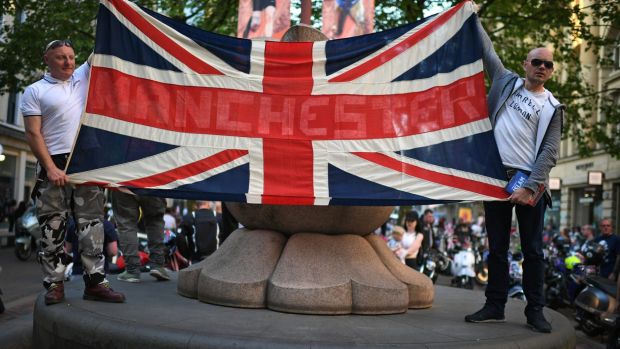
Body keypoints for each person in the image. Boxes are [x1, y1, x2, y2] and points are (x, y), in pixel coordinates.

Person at [465, 17, 564, 333]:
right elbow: (486, 50)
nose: (542, 68)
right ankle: (495, 305)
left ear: (551, 71)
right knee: (496, 249)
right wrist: (471, 14)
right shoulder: (504, 81)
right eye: (537, 61)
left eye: (547, 65)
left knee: (533, 251)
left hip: (530, 184)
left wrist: (531, 186)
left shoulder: (553, 107)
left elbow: (549, 152)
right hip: (496, 178)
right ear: (526, 64)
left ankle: (535, 311)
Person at [21, 39, 125, 304]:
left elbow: (104, 46)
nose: (68, 62)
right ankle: (54, 285)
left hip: (87, 160)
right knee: (52, 229)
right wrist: (51, 167)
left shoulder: (82, 76)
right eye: (60, 58)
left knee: (93, 227)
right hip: (54, 165)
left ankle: (95, 283)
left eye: (71, 56)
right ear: (46, 59)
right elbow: (33, 134)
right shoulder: (34, 91)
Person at [111, 191, 170, 283]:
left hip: (123, 181)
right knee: (155, 220)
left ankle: (132, 270)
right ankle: (158, 265)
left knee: (126, 223)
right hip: (152, 180)